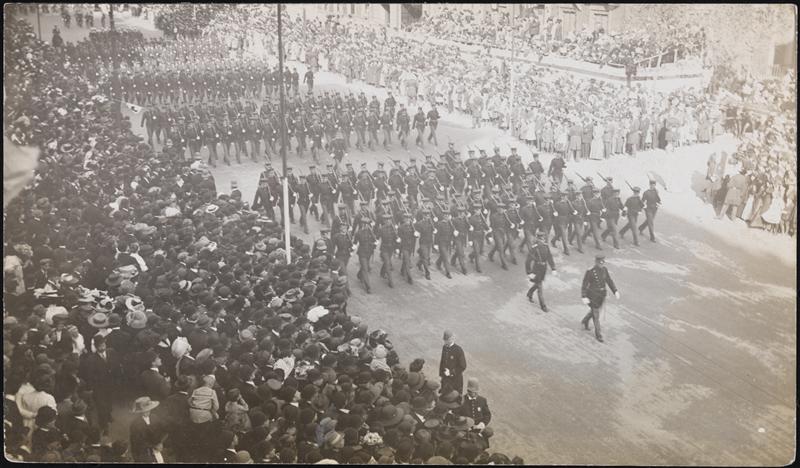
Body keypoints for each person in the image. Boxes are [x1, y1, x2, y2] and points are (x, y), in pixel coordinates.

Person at [580, 255, 619, 343]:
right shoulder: (590, 271)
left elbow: (609, 280)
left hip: (601, 295)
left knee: (595, 311)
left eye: (602, 262)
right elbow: (584, 284)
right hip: (593, 295)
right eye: (600, 262)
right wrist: (584, 296)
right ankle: (598, 334)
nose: (601, 264)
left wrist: (615, 291)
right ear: (596, 262)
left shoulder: (604, 270)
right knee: (596, 315)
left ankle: (585, 321)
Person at [525, 232, 556, 312]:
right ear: (538, 238)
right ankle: (543, 306)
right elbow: (528, 261)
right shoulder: (534, 247)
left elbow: (549, 257)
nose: (543, 240)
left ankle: (529, 293)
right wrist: (529, 272)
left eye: (543, 238)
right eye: (541, 238)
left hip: (543, 268)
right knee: (539, 287)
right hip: (537, 268)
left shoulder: (546, 246)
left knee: (538, 283)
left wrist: (553, 268)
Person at [129, 396, 160, 462]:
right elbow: (136, 443)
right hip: (142, 452)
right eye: (144, 411)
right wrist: (152, 446)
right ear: (140, 412)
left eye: (149, 409)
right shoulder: (135, 424)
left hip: (156, 450)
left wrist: (159, 443)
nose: (147, 412)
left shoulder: (154, 418)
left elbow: (159, 432)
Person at [439, 330, 466, 395]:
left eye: (447, 340)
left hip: (456, 381)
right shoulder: (444, 347)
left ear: (451, 339)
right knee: (444, 396)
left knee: (455, 397)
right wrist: (441, 375)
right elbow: (442, 362)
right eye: (444, 340)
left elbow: (463, 366)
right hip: (445, 380)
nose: (445, 342)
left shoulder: (458, 350)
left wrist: (451, 372)